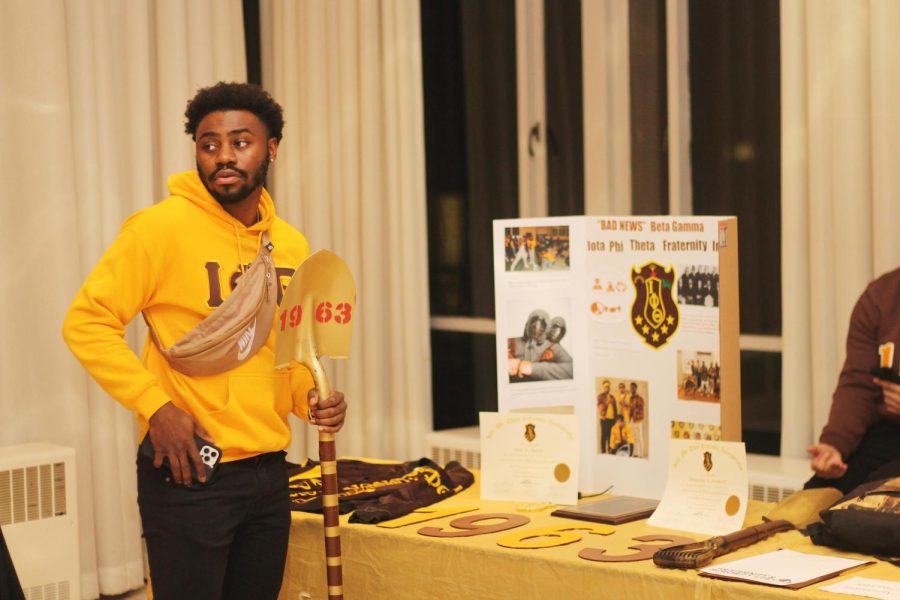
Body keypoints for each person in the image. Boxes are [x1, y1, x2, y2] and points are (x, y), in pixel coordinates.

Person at [62, 82, 348, 600]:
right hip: (190, 468)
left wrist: (311, 401)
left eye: (241, 142)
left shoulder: (288, 243)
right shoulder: (159, 230)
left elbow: (285, 350)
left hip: (267, 471)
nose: (223, 156)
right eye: (208, 143)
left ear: (272, 149)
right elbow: (86, 321)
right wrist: (157, 408)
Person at [806, 269, 900, 494]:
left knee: (878, 497)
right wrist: (834, 445)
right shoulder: (881, 296)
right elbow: (859, 384)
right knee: (817, 498)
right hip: (889, 433)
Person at [508, 315, 573, 381]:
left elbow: (571, 370)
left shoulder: (554, 347)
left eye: (541, 326)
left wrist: (533, 368)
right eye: (534, 325)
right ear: (527, 325)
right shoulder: (512, 341)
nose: (537, 329)